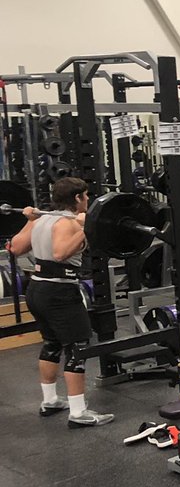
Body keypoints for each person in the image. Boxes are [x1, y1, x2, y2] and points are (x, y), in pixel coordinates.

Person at [5, 177, 113, 427]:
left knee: (52, 343)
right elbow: (60, 253)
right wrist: (86, 228)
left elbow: (15, 247)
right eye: (86, 196)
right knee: (77, 347)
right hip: (60, 292)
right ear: (77, 198)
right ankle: (78, 413)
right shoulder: (68, 222)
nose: (88, 200)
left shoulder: (42, 219)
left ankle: (50, 400)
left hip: (37, 290)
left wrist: (29, 221)